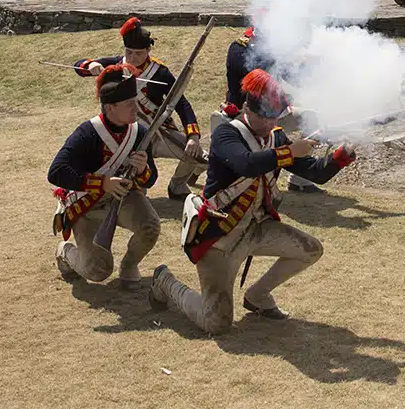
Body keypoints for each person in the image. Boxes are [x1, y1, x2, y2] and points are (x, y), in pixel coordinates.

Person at [149, 69, 356, 332]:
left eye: (275, 118)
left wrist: (341, 156)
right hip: (220, 236)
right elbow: (247, 164)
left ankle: (258, 296)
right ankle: (165, 282)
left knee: (311, 249)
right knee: (216, 323)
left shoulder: (275, 137)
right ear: (248, 108)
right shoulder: (226, 134)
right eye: (265, 117)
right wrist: (290, 151)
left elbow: (315, 172)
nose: (270, 124)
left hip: (256, 228)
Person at [48, 64, 160, 288]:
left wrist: (141, 170)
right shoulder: (87, 133)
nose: (135, 109)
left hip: (124, 197)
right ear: (110, 108)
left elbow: (151, 179)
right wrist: (103, 183)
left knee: (150, 226)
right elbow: (56, 171)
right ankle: (66, 252)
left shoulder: (139, 133)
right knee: (97, 270)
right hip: (88, 205)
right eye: (129, 104)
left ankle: (129, 265)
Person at [73, 16, 206, 199]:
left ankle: (177, 186)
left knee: (193, 153)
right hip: (127, 135)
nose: (133, 58)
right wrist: (91, 65)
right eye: (129, 52)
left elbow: (181, 103)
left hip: (159, 132)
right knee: (135, 191)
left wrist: (193, 136)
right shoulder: (116, 67)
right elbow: (79, 65)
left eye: (139, 53)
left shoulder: (160, 72)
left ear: (148, 50)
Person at [217, 22, 321, 194]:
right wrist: (284, 54)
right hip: (244, 115)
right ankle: (183, 179)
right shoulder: (238, 48)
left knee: (312, 118)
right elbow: (253, 72)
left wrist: (310, 70)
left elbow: (292, 77)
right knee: (212, 156)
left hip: (275, 112)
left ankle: (299, 179)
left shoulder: (275, 51)